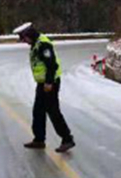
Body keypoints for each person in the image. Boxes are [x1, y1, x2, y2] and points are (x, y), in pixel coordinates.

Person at [14, 22, 75, 153]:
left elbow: (52, 65)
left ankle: (67, 139)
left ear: (29, 35)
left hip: (50, 83)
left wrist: (48, 82)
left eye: (24, 38)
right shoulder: (36, 44)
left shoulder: (43, 44)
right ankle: (39, 139)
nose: (24, 41)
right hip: (42, 83)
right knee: (38, 111)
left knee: (53, 112)